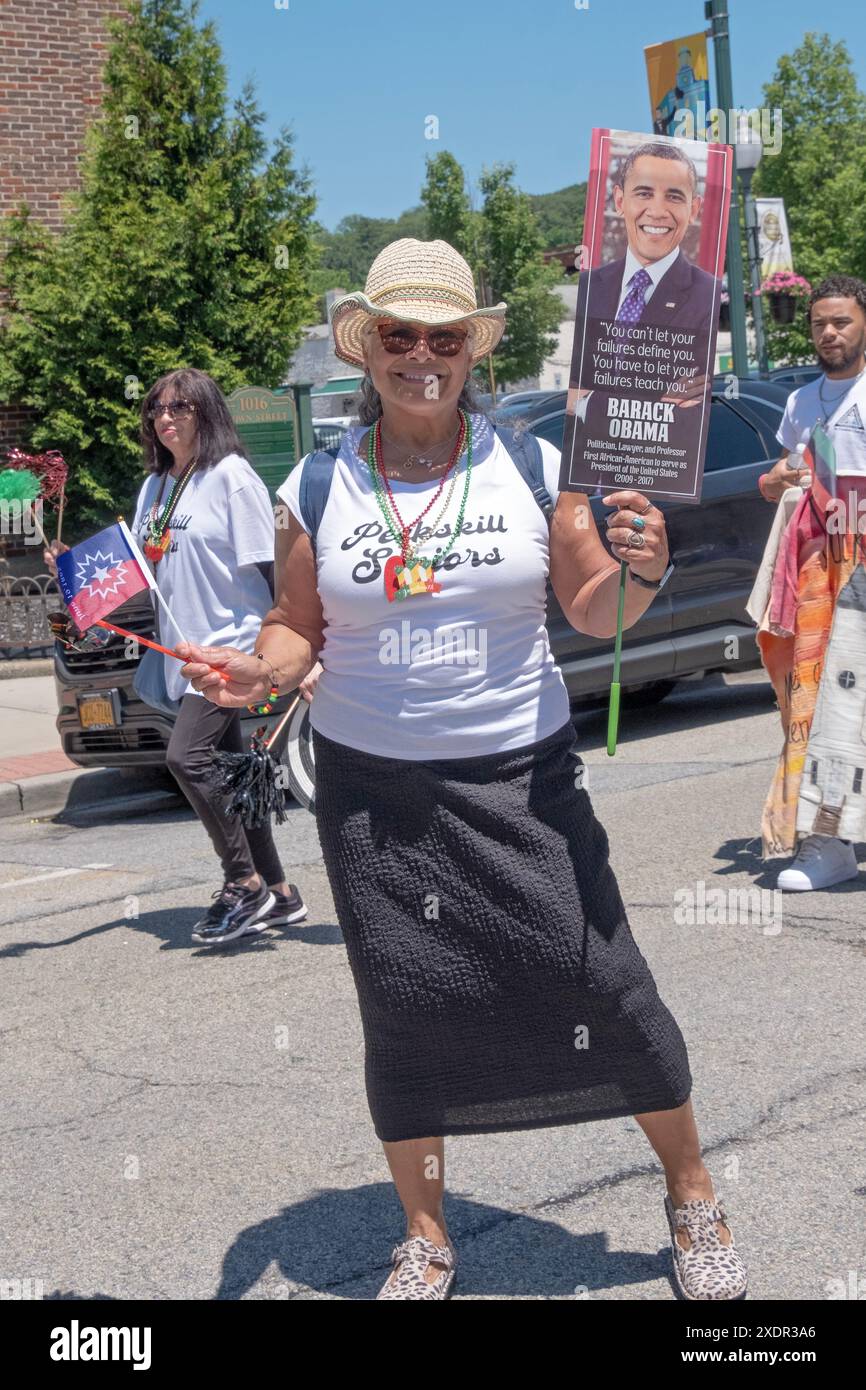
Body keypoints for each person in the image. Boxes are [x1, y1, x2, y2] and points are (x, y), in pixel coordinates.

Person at [178, 238, 748, 1301]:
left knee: (607, 985)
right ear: (368, 351)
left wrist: (645, 572)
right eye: (400, 335)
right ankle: (426, 1234)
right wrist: (253, 671)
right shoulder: (316, 479)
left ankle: (690, 1192)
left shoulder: (530, 464)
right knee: (406, 1012)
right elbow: (295, 629)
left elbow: (592, 608)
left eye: (444, 337)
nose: (422, 356)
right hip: (374, 799)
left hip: (520, 781)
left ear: (469, 352)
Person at [46, 367, 309, 945]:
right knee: (235, 774)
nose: (166, 418)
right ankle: (281, 893)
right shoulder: (156, 488)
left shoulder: (231, 478)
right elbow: (140, 573)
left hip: (231, 647)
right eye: (158, 410)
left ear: (206, 412)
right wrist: (72, 565)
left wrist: (294, 650)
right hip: (182, 654)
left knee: (186, 758)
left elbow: (271, 567)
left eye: (180, 408)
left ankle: (243, 883)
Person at [754, 275, 866, 891]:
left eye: (842, 321)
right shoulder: (800, 403)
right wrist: (777, 481)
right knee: (818, 704)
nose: (829, 332)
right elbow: (781, 482)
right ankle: (827, 844)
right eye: (820, 322)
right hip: (819, 568)